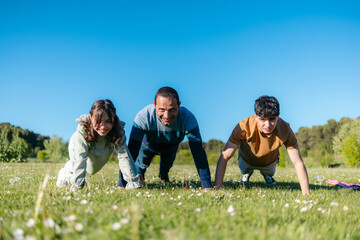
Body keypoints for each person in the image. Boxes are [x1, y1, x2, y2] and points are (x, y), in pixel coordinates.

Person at [118, 86, 212, 189]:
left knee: (166, 167)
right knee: (140, 166)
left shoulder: (188, 118)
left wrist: (206, 184)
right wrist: (121, 185)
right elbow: (131, 152)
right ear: (154, 105)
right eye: (161, 110)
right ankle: (140, 177)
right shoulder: (143, 117)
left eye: (172, 110)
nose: (166, 116)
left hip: (171, 146)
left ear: (179, 105)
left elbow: (198, 152)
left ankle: (163, 176)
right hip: (148, 145)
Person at [215, 96, 310, 196]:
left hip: (269, 162)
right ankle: (247, 173)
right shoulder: (243, 126)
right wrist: (217, 188)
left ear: (278, 116)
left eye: (272, 119)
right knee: (244, 169)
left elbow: (298, 162)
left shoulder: (285, 129)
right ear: (255, 116)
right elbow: (225, 156)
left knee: (269, 172)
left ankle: (267, 176)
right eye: (262, 119)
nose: (268, 125)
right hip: (246, 160)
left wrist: (306, 193)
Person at [56, 99, 141, 190]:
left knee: (92, 169)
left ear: (114, 119)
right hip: (79, 148)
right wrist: (78, 185)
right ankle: (65, 174)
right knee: (75, 167)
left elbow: (125, 157)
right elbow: (79, 158)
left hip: (101, 150)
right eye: (98, 121)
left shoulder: (117, 131)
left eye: (108, 121)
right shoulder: (82, 132)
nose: (103, 127)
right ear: (90, 118)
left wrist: (133, 182)